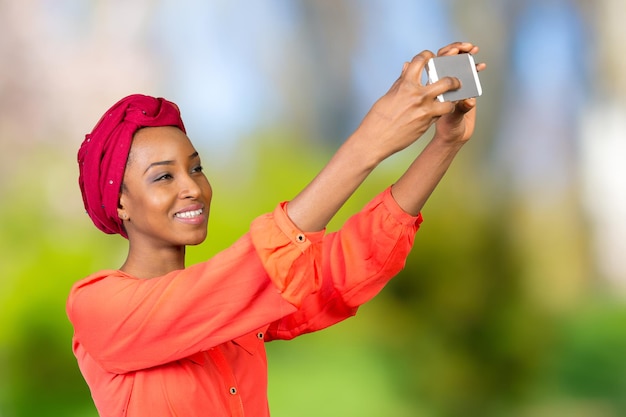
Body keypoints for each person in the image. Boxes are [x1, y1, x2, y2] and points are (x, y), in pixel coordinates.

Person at [67, 42, 485, 417]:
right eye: (163, 177)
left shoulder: (235, 302)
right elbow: (245, 277)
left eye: (196, 168)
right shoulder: (98, 307)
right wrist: (368, 142)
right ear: (119, 202)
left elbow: (341, 270)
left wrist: (443, 145)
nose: (193, 188)